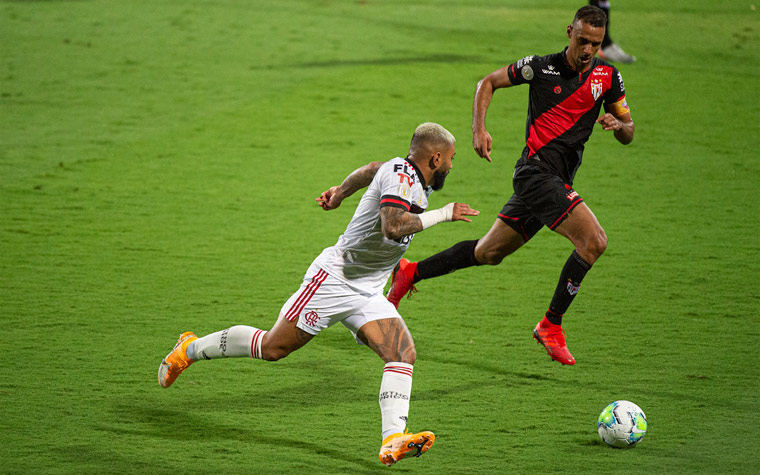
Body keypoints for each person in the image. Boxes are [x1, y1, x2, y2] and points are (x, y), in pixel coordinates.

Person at [157, 123, 479, 467]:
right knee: (272, 348)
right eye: (450, 160)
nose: (451, 166)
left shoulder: (403, 173)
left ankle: (393, 439)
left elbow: (371, 170)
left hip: (367, 289)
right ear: (435, 157)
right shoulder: (403, 179)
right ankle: (188, 349)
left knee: (402, 353)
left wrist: (341, 191)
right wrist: (445, 214)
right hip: (334, 281)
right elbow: (393, 226)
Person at [386, 6, 634, 366]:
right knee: (594, 241)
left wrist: (617, 124)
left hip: (556, 181)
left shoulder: (608, 77)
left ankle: (411, 272)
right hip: (535, 174)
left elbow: (629, 131)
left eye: (595, 44)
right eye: (582, 41)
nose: (587, 51)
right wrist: (478, 128)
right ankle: (551, 324)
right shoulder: (540, 67)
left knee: (489, 253)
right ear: (569, 32)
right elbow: (487, 82)